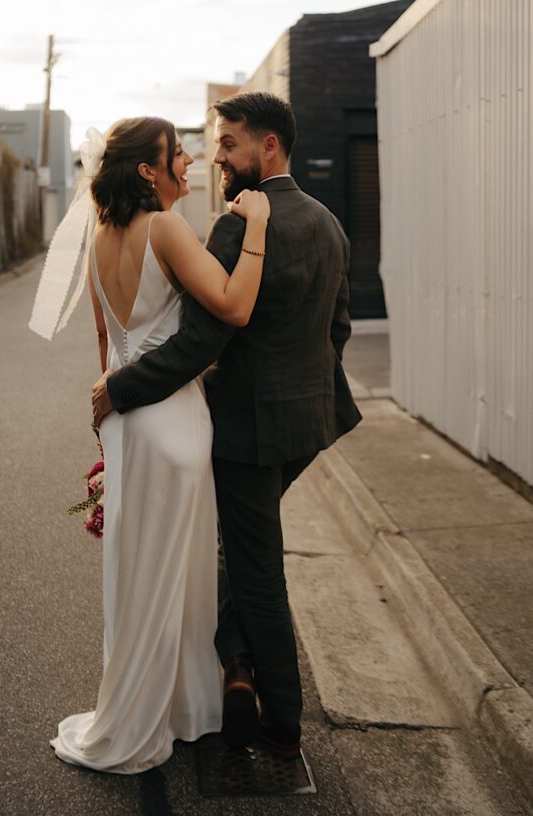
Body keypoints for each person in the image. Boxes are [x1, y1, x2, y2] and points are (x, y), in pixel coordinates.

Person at [92, 92, 362, 760]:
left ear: (268, 147)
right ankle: (234, 668)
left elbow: (199, 343)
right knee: (241, 549)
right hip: (311, 424)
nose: (217, 156)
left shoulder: (238, 226)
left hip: (244, 432)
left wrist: (118, 388)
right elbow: (340, 328)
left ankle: (281, 719)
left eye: (230, 143)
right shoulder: (330, 222)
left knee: (254, 566)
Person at [32, 116, 271, 774]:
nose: (191, 158)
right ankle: (177, 711)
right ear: (149, 170)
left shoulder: (98, 240)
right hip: (173, 421)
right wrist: (255, 228)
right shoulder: (165, 228)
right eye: (178, 152)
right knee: (181, 574)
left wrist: (109, 432)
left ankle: (146, 705)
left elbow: (107, 353)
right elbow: (232, 305)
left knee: (137, 573)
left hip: (124, 423)